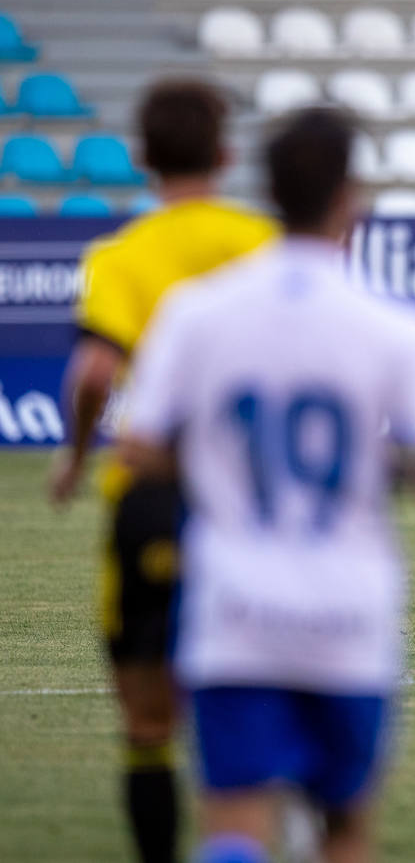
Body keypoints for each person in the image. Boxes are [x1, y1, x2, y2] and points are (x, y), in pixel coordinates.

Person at [117, 106, 415, 862]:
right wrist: (378, 464)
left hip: (232, 605)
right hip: (347, 613)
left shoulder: (200, 311)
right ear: (352, 194)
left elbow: (138, 446)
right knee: (345, 830)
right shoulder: (394, 325)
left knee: (232, 819)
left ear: (266, 189)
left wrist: (216, 455)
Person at [48, 78, 278, 863]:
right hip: (247, 493)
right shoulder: (261, 244)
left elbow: (89, 374)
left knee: (148, 728)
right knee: (251, 705)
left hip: (152, 495)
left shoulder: (122, 256)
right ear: (225, 153)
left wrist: (78, 455)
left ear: (142, 160)